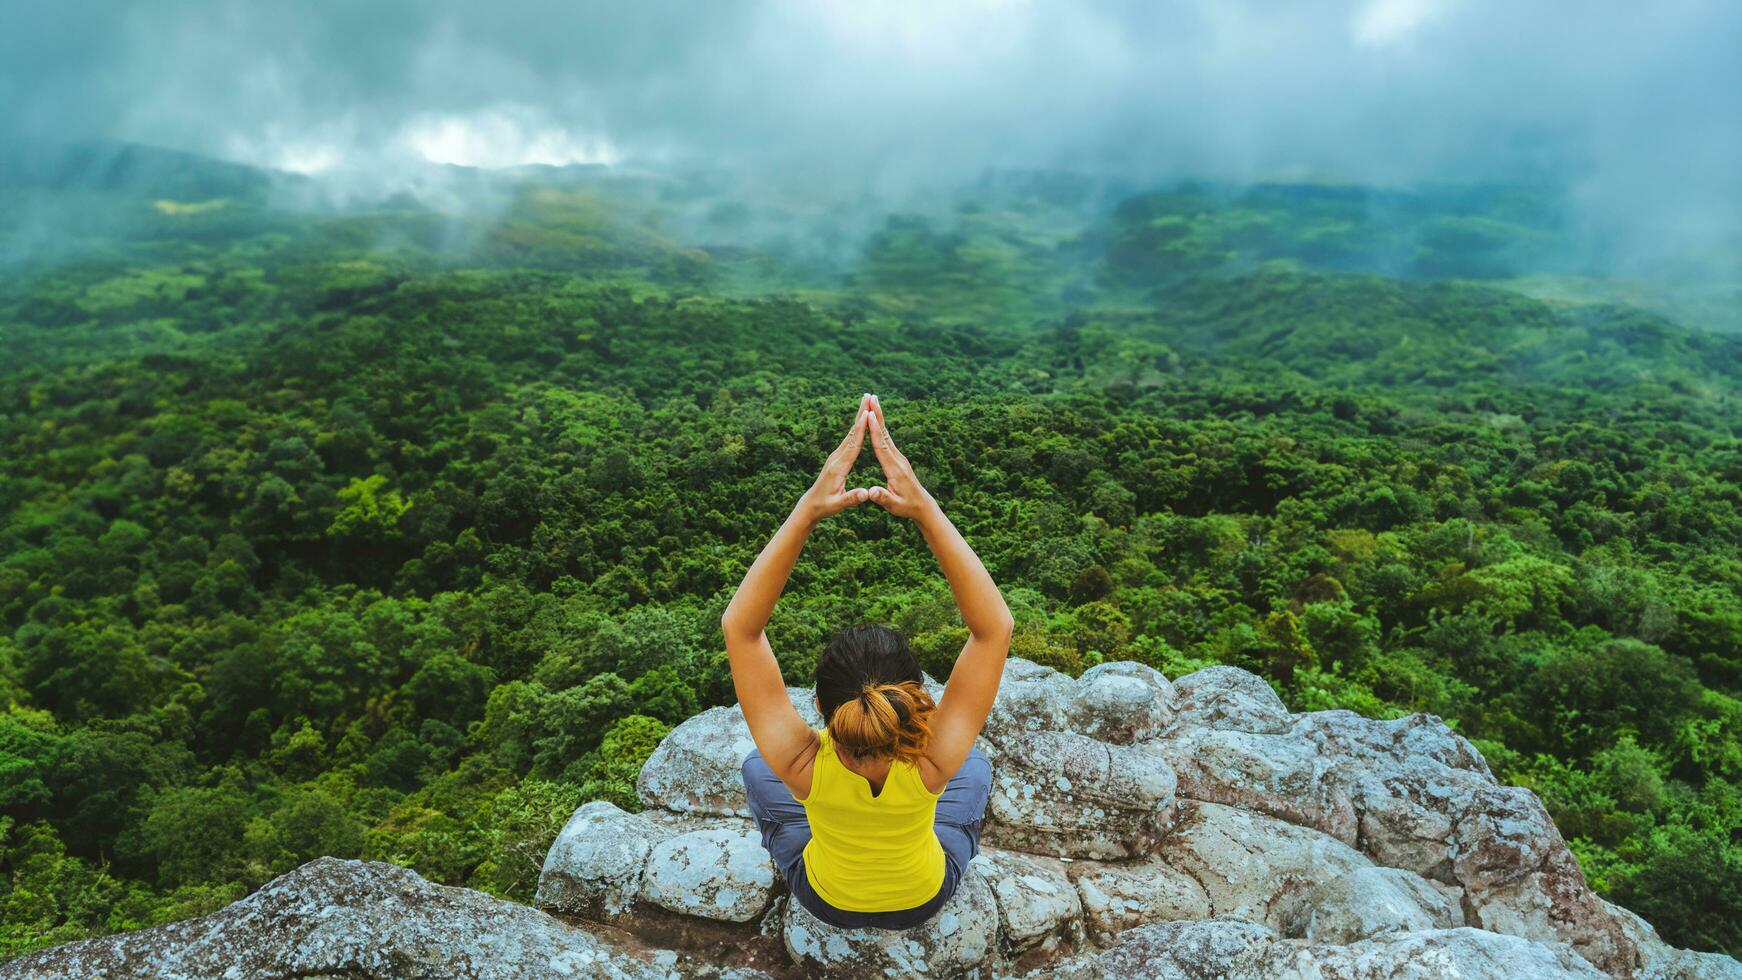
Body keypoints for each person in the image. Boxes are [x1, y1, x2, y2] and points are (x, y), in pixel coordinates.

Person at [722, 392, 1015, 930]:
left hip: (826, 900)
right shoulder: (933, 762)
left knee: (756, 767)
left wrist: (807, 509)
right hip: (921, 899)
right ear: (916, 700)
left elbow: (741, 629)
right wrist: (924, 507)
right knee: (974, 767)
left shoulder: (802, 766)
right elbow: (994, 628)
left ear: (818, 706)